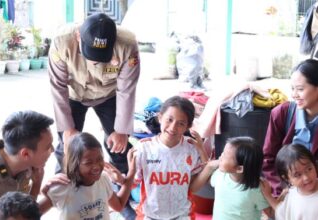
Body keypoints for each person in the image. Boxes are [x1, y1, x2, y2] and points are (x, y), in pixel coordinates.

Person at [48, 12, 139, 219]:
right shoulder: (61, 42)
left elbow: (127, 89)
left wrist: (121, 130)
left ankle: (121, 196)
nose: (96, 62)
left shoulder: (128, 45)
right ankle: (62, 196)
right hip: (73, 95)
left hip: (108, 95)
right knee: (67, 147)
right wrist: (67, 127)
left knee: (119, 146)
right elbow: (57, 87)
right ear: (78, 36)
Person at [134, 96, 210, 219]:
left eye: (181, 123)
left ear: (188, 126)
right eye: (169, 119)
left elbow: (194, 187)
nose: (173, 127)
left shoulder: (192, 148)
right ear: (160, 117)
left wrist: (202, 151)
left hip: (182, 215)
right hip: (150, 215)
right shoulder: (144, 148)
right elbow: (131, 183)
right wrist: (121, 178)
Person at [0, 111, 54, 218]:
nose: (53, 150)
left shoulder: (27, 169)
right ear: (26, 154)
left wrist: (36, 185)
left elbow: (22, 215)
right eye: (48, 147)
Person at [38, 132, 136, 219]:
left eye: (99, 159)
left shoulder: (103, 179)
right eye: (88, 162)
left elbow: (118, 205)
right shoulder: (63, 187)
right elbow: (30, 215)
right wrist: (36, 185)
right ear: (75, 164)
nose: (96, 166)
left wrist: (131, 172)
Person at [262, 59, 318, 197]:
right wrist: (281, 190)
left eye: (300, 89)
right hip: (286, 193)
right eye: (292, 89)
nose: (294, 95)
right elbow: (268, 159)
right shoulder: (281, 113)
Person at [262, 143, 318, 219]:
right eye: (297, 175)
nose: (306, 177)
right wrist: (268, 196)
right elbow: (282, 214)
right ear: (287, 179)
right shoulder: (291, 194)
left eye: (309, 169)